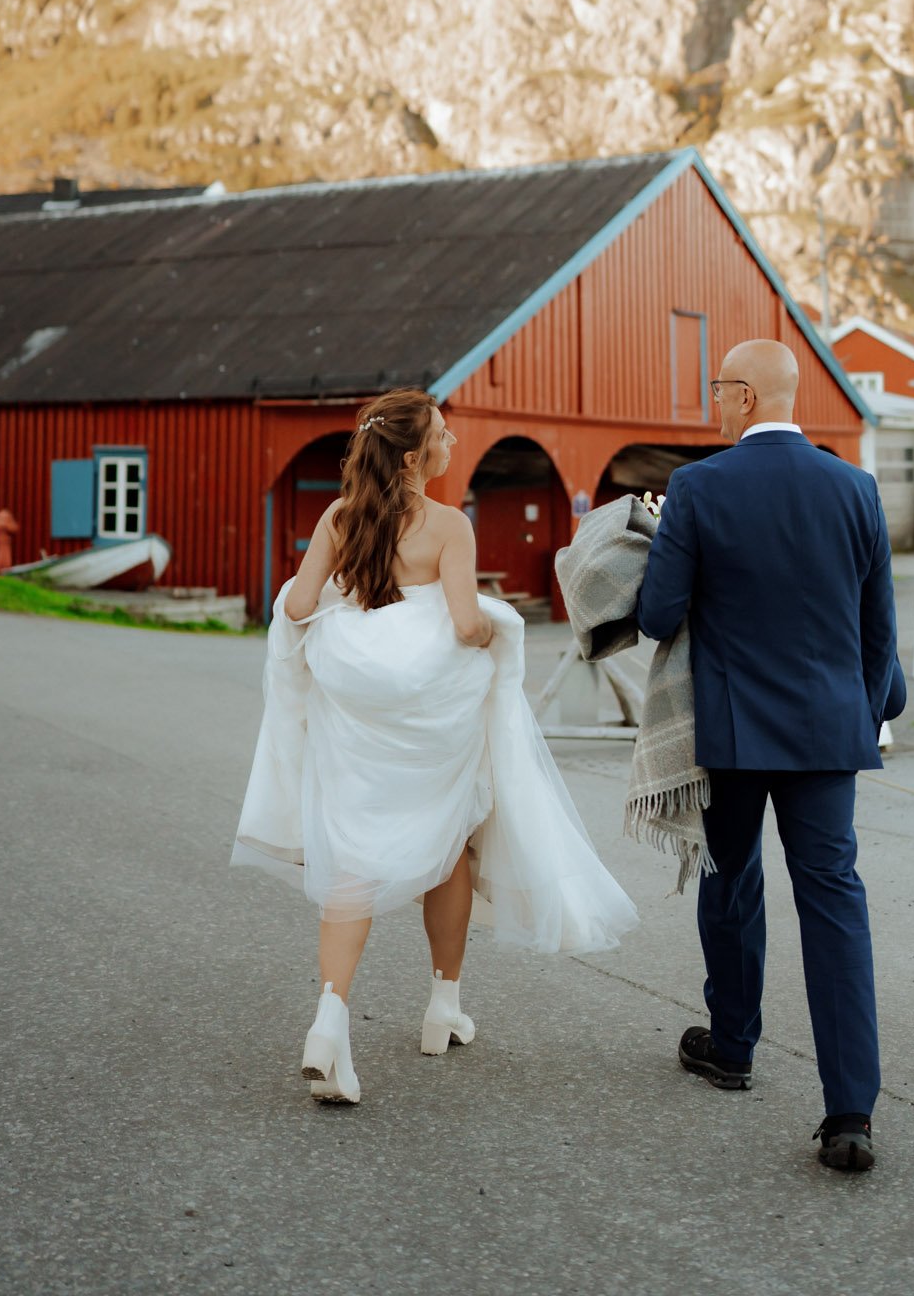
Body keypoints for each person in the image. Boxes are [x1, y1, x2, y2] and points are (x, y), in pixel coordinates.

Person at [232, 388, 637, 1104]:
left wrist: (352, 615)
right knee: (452, 839)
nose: (452, 446)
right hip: (428, 717)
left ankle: (329, 1020)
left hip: (358, 713)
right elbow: (459, 625)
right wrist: (495, 626)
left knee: (353, 855)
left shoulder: (337, 516)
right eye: (444, 438)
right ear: (415, 457)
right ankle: (441, 1004)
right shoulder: (449, 525)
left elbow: (296, 607)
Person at [636, 339, 903, 1174]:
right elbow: (878, 636)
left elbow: (655, 615)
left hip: (732, 727)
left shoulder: (697, 487)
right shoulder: (855, 488)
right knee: (834, 904)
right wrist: (865, 713)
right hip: (830, 729)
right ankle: (849, 1114)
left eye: (719, 389)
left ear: (747, 396)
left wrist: (651, 536)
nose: (714, 401)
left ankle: (732, 1046)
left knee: (730, 877)